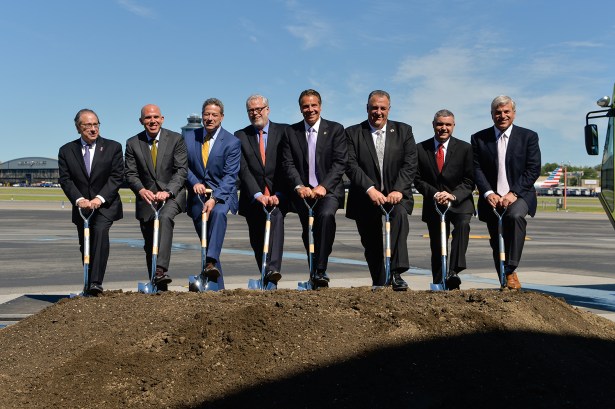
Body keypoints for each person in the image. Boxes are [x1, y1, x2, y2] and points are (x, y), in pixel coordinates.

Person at [345, 90, 417, 290]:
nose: (378, 112)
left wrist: (399, 190)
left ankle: (396, 273)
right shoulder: (353, 133)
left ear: (389, 109)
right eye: (374, 107)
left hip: (396, 196)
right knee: (371, 242)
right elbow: (351, 165)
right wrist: (370, 189)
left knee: (399, 218)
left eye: (382, 108)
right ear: (367, 108)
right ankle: (379, 280)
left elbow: (410, 163)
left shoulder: (404, 131)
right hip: (365, 197)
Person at [471, 95, 541, 289]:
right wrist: (487, 193)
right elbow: (476, 169)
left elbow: (533, 169)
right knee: (496, 240)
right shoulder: (479, 138)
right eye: (498, 112)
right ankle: (505, 279)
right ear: (492, 115)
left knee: (515, 216)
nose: (502, 115)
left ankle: (510, 268)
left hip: (520, 194)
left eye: (506, 112)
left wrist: (513, 193)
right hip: (491, 197)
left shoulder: (528, 137)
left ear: (514, 114)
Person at [280, 89, 347, 288]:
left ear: (320, 106)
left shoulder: (335, 129)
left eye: (314, 105)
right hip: (303, 192)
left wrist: (324, 186)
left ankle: (320, 269)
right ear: (300, 108)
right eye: (306, 106)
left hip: (329, 189)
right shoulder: (291, 132)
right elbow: (287, 163)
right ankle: (314, 271)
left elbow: (340, 162)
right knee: (308, 230)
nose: (310, 109)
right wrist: (299, 186)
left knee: (325, 217)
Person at [58, 109, 124, 295]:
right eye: (88, 125)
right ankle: (88, 282)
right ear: (78, 127)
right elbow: (65, 179)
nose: (93, 129)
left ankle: (95, 283)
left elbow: (117, 176)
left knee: (99, 233)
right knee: (85, 243)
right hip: (82, 207)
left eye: (96, 124)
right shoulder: (66, 150)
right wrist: (79, 200)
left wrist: (99, 198)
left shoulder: (113, 147)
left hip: (105, 205)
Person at [125, 104, 188, 290]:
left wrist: (168, 191)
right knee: (149, 242)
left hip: (171, 196)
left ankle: (161, 270)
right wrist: (141, 190)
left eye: (155, 117)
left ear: (162, 119)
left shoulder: (176, 139)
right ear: (141, 121)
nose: (152, 121)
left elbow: (181, 171)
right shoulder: (132, 143)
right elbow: (130, 173)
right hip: (147, 198)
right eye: (147, 118)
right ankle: (156, 282)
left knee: (165, 218)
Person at [184, 98, 241, 290]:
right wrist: (194, 183)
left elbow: (231, 176)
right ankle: (215, 282)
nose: (210, 118)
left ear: (221, 117)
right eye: (206, 114)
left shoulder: (232, 142)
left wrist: (215, 198)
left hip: (222, 195)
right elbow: (183, 167)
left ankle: (210, 264)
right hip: (198, 197)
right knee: (208, 242)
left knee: (217, 214)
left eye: (214, 115)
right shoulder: (189, 138)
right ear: (202, 116)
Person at [415, 109, 475, 290]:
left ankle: (454, 272)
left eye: (448, 124)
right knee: (437, 242)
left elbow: (470, 180)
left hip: (459, 202)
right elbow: (417, 179)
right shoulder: (420, 149)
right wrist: (435, 193)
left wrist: (453, 195)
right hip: (434, 202)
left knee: (463, 226)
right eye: (440, 124)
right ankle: (439, 281)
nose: (443, 128)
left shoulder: (465, 149)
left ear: (453, 126)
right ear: (433, 125)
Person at [235, 95, 288, 286]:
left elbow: (287, 165)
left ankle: (273, 269)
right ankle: (265, 273)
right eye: (251, 110)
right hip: (253, 196)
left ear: (268, 109)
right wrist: (257, 194)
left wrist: (279, 194)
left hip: (278, 195)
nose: (255, 113)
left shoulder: (284, 131)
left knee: (276, 222)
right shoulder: (240, 135)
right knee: (257, 239)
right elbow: (243, 168)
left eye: (259, 109)